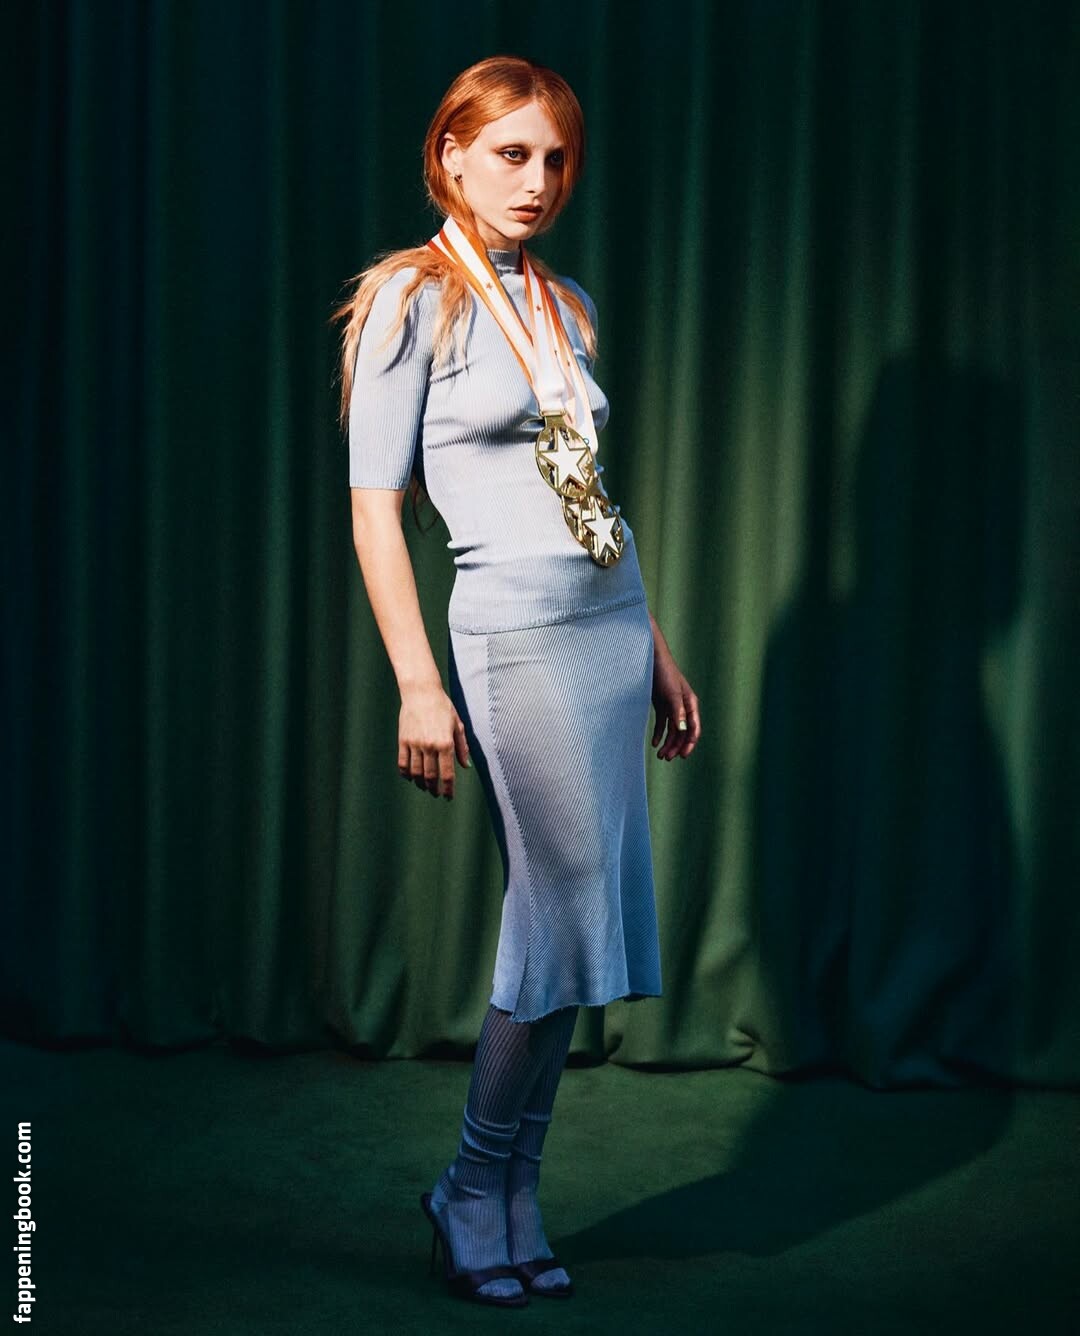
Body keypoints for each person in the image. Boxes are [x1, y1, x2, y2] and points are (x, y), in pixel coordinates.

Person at [333, 54, 700, 1308]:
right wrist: (415, 681)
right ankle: (471, 1182)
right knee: (556, 912)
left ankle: (510, 1194)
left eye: (554, 158)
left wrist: (657, 647)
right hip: (511, 634)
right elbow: (376, 509)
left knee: (578, 928)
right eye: (510, 153)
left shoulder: (567, 302)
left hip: (608, 625)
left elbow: (590, 495)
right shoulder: (413, 297)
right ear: (450, 154)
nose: (536, 179)